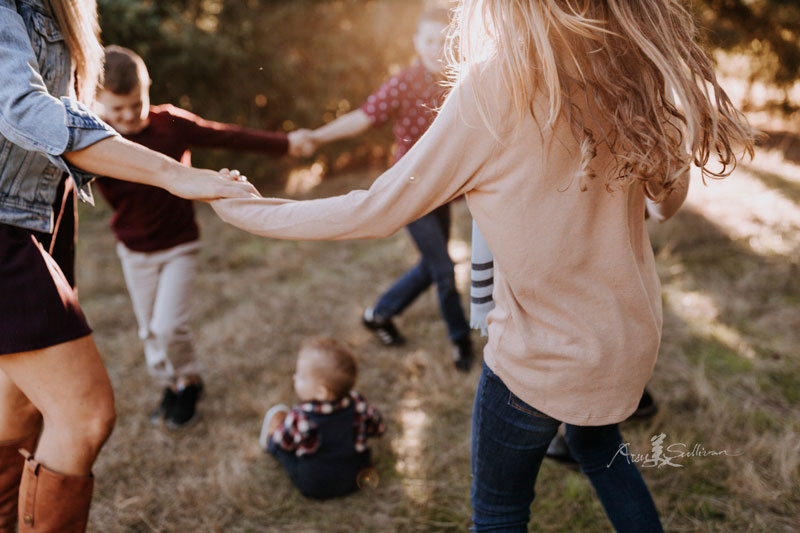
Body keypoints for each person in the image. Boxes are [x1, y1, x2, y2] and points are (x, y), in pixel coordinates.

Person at [211, 0, 757, 529]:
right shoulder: (629, 70)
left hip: (539, 357)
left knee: (498, 514)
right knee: (600, 450)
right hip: (623, 343)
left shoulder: (498, 88)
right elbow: (665, 205)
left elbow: (379, 211)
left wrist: (254, 213)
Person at [0, 2, 256, 531]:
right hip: (4, 223)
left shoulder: (61, 10)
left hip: (43, 212)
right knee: (85, 415)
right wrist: (175, 176)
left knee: (21, 407)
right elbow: (24, 108)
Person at [93, 45, 307, 428]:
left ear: (147, 91)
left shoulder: (171, 124)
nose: (127, 117)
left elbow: (228, 136)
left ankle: (189, 381)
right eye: (117, 110)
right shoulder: (96, 140)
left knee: (168, 326)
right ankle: (171, 385)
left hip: (178, 245)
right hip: (134, 250)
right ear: (95, 100)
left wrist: (286, 144)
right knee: (149, 330)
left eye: (135, 106)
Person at [297, 8, 475, 372]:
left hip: (440, 188)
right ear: (416, 43)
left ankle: (379, 314)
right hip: (408, 190)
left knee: (432, 264)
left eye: (443, 41)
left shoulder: (464, 82)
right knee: (443, 269)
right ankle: (461, 342)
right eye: (428, 40)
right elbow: (365, 116)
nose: (435, 48)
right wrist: (317, 136)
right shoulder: (405, 82)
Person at [259, 338, 386, 499]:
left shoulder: (301, 417)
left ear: (321, 392)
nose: (294, 377)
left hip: (316, 487)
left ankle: (267, 441)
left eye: (300, 376)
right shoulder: (358, 405)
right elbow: (379, 429)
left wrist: (276, 439)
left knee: (279, 448)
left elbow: (284, 442)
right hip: (357, 476)